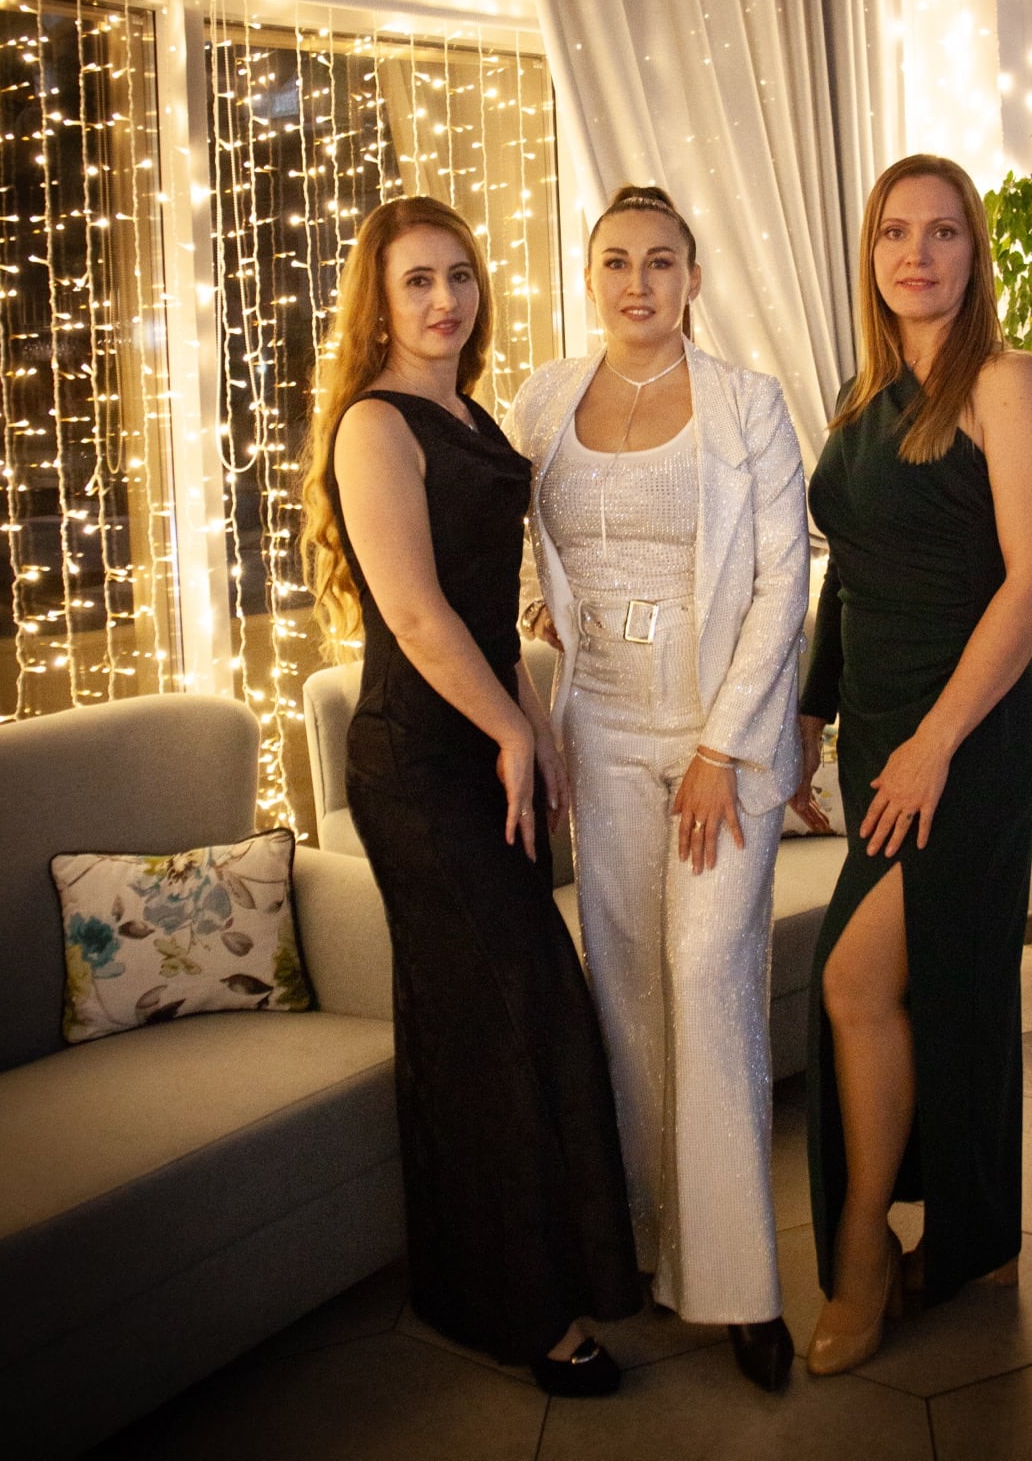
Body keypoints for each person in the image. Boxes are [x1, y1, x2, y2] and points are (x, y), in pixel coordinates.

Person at [299, 195, 640, 1396]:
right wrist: (507, 729)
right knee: (505, 1012)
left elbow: (493, 613)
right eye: (416, 281)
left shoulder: (471, 413)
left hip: (484, 748)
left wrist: (535, 724)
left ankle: (482, 1283)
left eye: (458, 276)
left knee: (486, 1018)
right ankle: (526, 1311)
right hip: (416, 766)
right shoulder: (373, 426)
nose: (444, 300)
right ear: (378, 303)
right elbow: (411, 610)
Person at [506, 186, 809, 1392]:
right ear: (590, 276)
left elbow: (782, 583)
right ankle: (639, 1241)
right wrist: (541, 610)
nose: (638, 282)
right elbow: (515, 535)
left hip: (710, 742)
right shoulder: (542, 399)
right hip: (599, 731)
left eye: (661, 261)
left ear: (692, 276)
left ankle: (740, 1288)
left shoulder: (746, 402)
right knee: (626, 986)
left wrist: (722, 749)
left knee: (705, 979)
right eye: (616, 261)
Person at [791, 154, 1032, 1374]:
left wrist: (933, 745)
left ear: (973, 251)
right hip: (878, 735)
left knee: (852, 982)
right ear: (869, 254)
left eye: (942, 232)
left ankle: (864, 1247)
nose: (916, 253)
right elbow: (846, 576)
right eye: (894, 233)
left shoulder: (1004, 381)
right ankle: (977, 1234)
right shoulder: (858, 396)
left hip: (972, 733)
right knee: (952, 987)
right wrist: (810, 718)